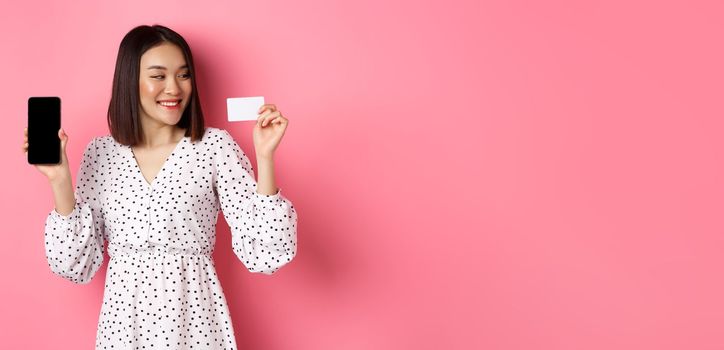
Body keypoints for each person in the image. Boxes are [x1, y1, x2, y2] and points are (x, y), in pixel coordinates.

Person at [21, 24, 298, 349]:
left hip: (195, 324)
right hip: (124, 328)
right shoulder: (101, 153)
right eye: (158, 75)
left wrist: (265, 157)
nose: (174, 88)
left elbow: (268, 253)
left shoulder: (214, 147)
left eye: (183, 75)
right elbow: (73, 265)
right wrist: (60, 181)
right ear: (130, 81)